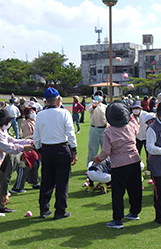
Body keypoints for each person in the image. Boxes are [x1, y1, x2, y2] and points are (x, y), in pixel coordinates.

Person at [93, 101, 142, 229]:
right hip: (135, 160)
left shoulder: (108, 132)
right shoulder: (131, 125)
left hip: (119, 164)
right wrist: (129, 115)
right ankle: (134, 212)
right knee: (135, 188)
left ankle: (117, 219)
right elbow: (136, 125)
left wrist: (97, 159)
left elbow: (106, 151)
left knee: (118, 192)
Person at [34, 87, 78, 220]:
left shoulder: (40, 114)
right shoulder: (64, 113)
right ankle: (60, 210)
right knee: (62, 182)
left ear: (46, 101)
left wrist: (39, 150)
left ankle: (44, 209)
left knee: (46, 180)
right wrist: (74, 151)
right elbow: (70, 133)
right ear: (58, 99)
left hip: (46, 149)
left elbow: (36, 136)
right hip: (61, 148)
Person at [10, 106, 40, 193]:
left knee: (34, 165)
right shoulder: (26, 124)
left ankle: (34, 182)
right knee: (24, 167)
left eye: (33, 111)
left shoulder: (35, 122)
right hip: (27, 148)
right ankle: (17, 187)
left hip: (33, 147)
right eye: (31, 112)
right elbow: (27, 137)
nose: (33, 113)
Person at [87, 90, 107, 169]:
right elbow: (90, 110)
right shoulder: (91, 105)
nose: (98, 96)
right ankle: (90, 166)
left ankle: (105, 166)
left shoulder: (105, 106)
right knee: (92, 149)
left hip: (104, 129)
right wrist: (93, 107)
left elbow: (106, 117)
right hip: (94, 128)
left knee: (105, 148)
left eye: (100, 95)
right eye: (96, 95)